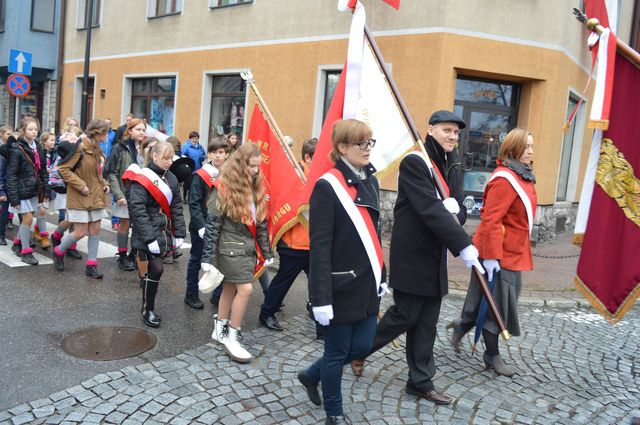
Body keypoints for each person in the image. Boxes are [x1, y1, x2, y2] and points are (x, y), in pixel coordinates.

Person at [351, 110, 483, 405]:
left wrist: (456, 212)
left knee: (427, 321)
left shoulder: (453, 166)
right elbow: (428, 209)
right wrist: (463, 243)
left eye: (456, 133)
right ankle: (358, 349)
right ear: (431, 129)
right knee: (406, 314)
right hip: (413, 254)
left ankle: (419, 382)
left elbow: (459, 210)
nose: (452, 136)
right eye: (447, 130)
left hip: (435, 257)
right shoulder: (416, 162)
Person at [297, 119, 387, 425]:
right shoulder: (327, 186)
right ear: (342, 148)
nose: (367, 149)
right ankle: (333, 413)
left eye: (370, 142)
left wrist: (381, 275)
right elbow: (319, 247)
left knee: (362, 346)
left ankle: (310, 374)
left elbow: (374, 235)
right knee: (337, 353)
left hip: (366, 283)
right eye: (361, 143)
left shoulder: (370, 181)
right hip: (338, 286)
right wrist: (320, 297)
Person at [448, 128, 537, 377]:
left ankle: (462, 327)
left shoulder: (521, 175)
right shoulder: (505, 179)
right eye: (526, 146)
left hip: (513, 252)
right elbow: (491, 220)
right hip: (501, 254)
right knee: (499, 306)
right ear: (512, 149)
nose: (531, 151)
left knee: (484, 299)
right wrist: (491, 256)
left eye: (532, 146)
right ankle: (491, 355)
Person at [201, 143, 274, 364]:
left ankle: (220, 328)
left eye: (257, 166)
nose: (255, 170)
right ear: (240, 164)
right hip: (229, 249)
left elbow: (260, 223)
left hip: (247, 249)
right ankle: (233, 334)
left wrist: (267, 251)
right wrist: (207, 259)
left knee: (230, 288)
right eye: (251, 166)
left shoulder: (255, 185)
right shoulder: (223, 187)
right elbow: (212, 225)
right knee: (245, 289)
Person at [259, 137, 317, 331]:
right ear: (308, 158)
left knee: (319, 283)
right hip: (293, 242)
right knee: (283, 281)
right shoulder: (296, 174)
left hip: (313, 242)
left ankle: (319, 317)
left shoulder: (317, 175)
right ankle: (267, 312)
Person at [128, 141, 186, 327]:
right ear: (154, 157)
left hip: (164, 231)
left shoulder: (172, 178)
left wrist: (179, 232)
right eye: (165, 158)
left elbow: (177, 207)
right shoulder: (143, 178)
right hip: (148, 232)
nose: (169, 162)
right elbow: (137, 210)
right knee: (157, 268)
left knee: (154, 270)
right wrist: (149, 237)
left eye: (171, 158)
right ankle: (148, 309)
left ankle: (147, 299)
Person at [53, 119, 111, 279]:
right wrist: (81, 185)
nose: (108, 135)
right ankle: (58, 251)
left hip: (96, 195)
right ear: (98, 132)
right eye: (106, 131)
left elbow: (97, 173)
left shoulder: (98, 149)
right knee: (80, 232)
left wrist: (104, 183)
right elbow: (63, 169)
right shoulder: (80, 148)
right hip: (80, 195)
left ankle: (91, 265)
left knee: (95, 231)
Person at [184, 138, 229, 309]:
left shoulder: (228, 174)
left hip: (221, 226)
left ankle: (217, 295)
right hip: (201, 226)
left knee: (220, 260)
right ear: (208, 154)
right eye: (214, 153)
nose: (217, 156)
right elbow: (194, 202)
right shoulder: (200, 175)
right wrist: (201, 225)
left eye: (221, 153)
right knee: (197, 260)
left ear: (226, 154)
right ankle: (191, 294)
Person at [5, 117, 50, 265]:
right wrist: (14, 198)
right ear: (23, 130)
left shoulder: (38, 147)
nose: (34, 132)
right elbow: (10, 174)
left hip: (34, 190)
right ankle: (26, 252)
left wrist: (46, 190)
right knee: (28, 219)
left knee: (27, 219)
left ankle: (18, 243)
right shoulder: (16, 149)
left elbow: (43, 170)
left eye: (36, 129)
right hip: (21, 190)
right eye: (30, 129)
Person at [106, 118, 146, 271]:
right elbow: (111, 172)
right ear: (130, 131)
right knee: (125, 224)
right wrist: (118, 195)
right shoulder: (120, 148)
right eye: (138, 130)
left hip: (142, 194)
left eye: (143, 130)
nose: (141, 133)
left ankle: (134, 255)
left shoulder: (147, 147)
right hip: (125, 193)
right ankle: (122, 256)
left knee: (140, 226)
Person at [49, 126, 84, 261]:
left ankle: (72, 247)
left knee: (74, 220)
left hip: (75, 189)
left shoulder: (79, 152)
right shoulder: (64, 152)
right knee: (70, 218)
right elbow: (61, 170)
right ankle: (56, 235)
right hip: (65, 190)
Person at [32, 132, 57, 250]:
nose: (53, 142)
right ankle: (44, 236)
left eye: (54, 140)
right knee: (42, 210)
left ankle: (37, 229)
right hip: (41, 185)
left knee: (44, 210)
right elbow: (40, 170)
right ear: (44, 142)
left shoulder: (54, 153)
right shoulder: (40, 153)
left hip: (51, 184)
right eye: (51, 140)